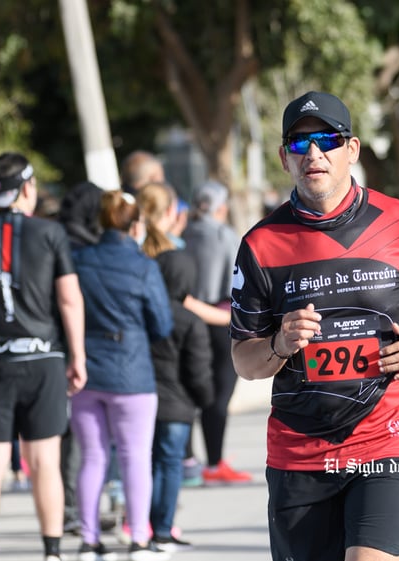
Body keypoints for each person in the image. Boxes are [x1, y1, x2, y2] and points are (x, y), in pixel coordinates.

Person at [230, 91, 399, 561]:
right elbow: (245, 361)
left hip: (387, 434)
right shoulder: (260, 245)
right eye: (299, 144)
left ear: (352, 150)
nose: (314, 154)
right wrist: (280, 342)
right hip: (300, 453)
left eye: (327, 140)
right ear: (284, 158)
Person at [0, 152, 87, 561]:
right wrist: (77, 355)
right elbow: (69, 298)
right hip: (42, 360)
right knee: (45, 460)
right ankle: (52, 552)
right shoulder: (51, 233)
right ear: (27, 187)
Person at [70, 189, 173, 561]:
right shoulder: (144, 265)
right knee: (135, 457)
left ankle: (88, 540)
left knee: (93, 457)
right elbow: (161, 323)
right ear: (136, 225)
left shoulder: (79, 260)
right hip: (132, 372)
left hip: (85, 370)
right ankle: (139, 540)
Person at [137, 182, 215, 553]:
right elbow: (198, 368)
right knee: (169, 464)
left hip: (140, 394)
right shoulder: (188, 320)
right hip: (179, 403)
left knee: (144, 462)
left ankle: (143, 526)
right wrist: (205, 398)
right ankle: (162, 529)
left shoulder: (141, 314)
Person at [182, 180, 251, 484]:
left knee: (189, 391)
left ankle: (188, 460)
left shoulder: (184, 234)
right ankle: (213, 461)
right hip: (221, 319)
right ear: (220, 207)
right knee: (219, 396)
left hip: (186, 318)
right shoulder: (225, 235)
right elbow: (240, 280)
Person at [57, 180, 105, 534]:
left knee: (67, 435)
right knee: (80, 437)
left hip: (49, 345)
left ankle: (73, 507)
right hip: (81, 348)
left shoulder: (53, 238)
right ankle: (74, 509)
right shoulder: (87, 248)